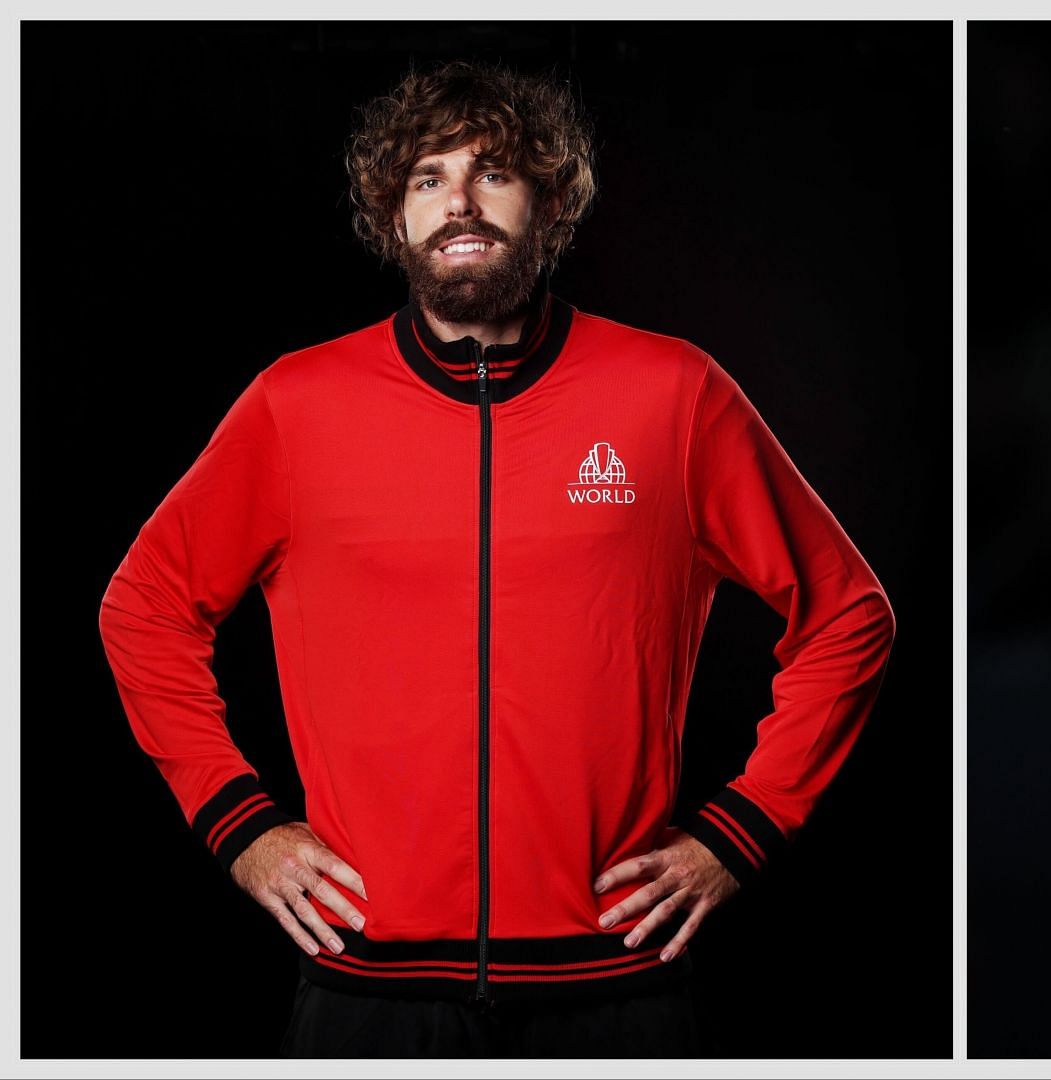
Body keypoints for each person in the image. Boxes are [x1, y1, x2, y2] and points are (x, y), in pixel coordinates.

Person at [98, 60, 896, 1058]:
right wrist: (240, 824)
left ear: (550, 201)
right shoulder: (294, 406)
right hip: (367, 994)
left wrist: (740, 833)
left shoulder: (674, 393)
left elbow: (848, 615)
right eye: (428, 178)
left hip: (619, 988)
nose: (460, 202)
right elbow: (144, 610)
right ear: (393, 216)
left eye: (495, 172)